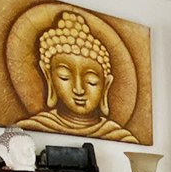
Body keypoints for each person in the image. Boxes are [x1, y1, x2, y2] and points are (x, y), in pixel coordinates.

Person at [19, 10, 138, 142]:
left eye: (91, 81)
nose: (79, 90)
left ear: (106, 85)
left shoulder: (121, 136)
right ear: (49, 77)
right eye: (64, 76)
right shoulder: (26, 132)